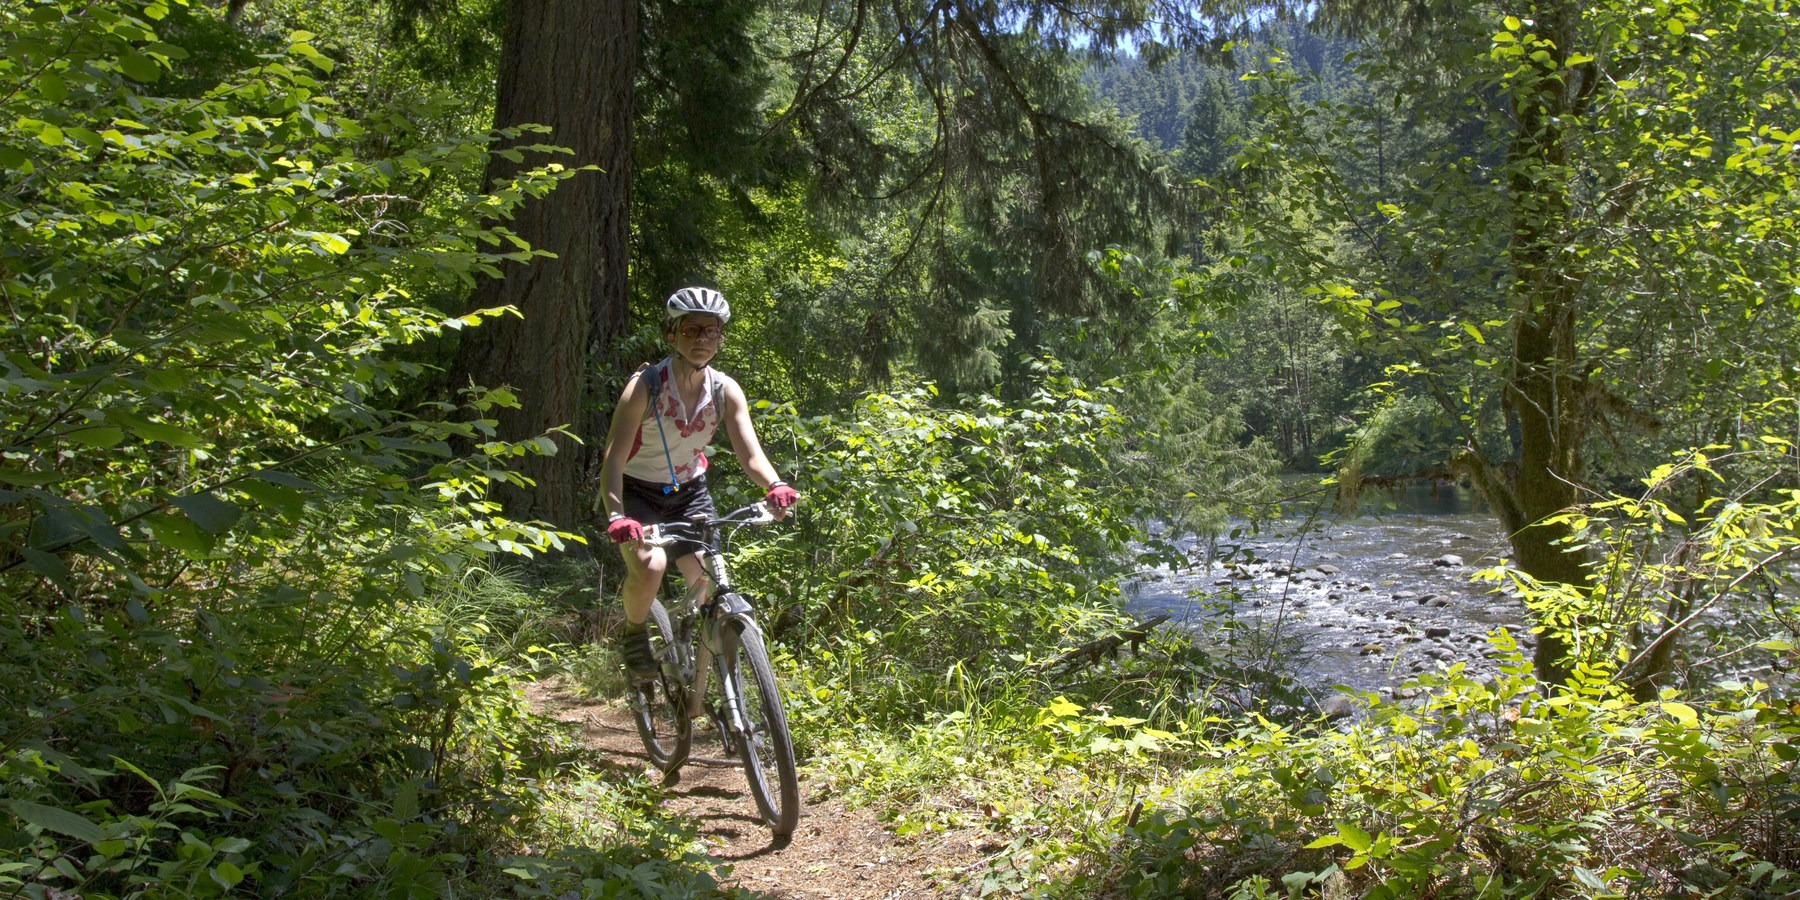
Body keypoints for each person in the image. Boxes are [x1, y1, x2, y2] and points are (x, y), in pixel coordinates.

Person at [599, 286, 798, 682]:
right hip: (638, 490)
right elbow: (613, 458)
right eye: (691, 330)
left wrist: (775, 483)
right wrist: (617, 515)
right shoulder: (646, 386)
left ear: (720, 337)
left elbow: (751, 455)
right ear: (671, 335)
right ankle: (635, 634)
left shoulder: (725, 390)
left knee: (707, 576)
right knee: (651, 565)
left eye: (710, 331)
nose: (702, 339)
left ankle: (718, 679)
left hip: (690, 491)